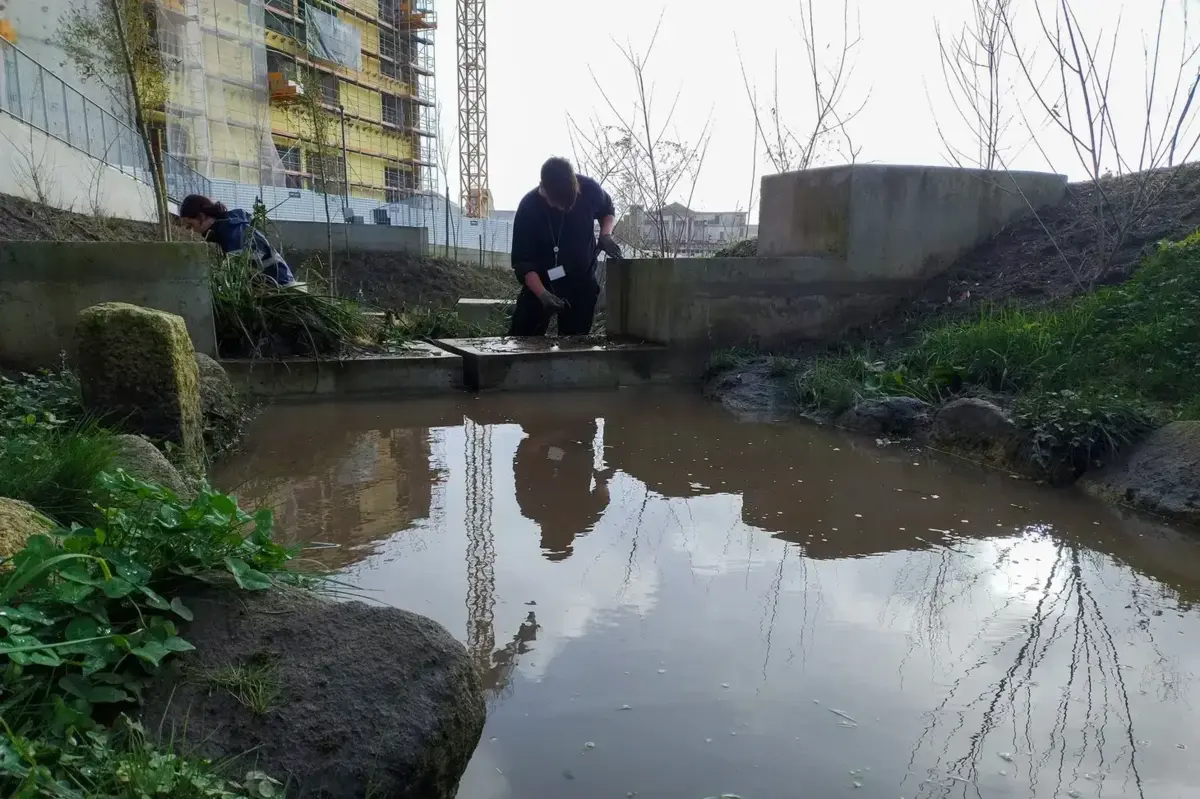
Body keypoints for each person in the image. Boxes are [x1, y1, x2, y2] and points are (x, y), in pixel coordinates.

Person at [508, 157, 622, 336]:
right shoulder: (528, 209)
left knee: (575, 342)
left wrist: (605, 235)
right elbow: (523, 262)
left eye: (569, 204)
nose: (563, 209)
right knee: (523, 338)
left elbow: (607, 210)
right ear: (544, 190)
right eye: (558, 205)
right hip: (542, 281)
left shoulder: (589, 189)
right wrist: (542, 294)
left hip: (580, 279)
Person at [178, 194, 296, 286]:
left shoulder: (233, 233)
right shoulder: (229, 228)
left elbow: (240, 277)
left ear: (201, 217)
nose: (192, 231)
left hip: (279, 290)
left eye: (190, 226)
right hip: (276, 286)